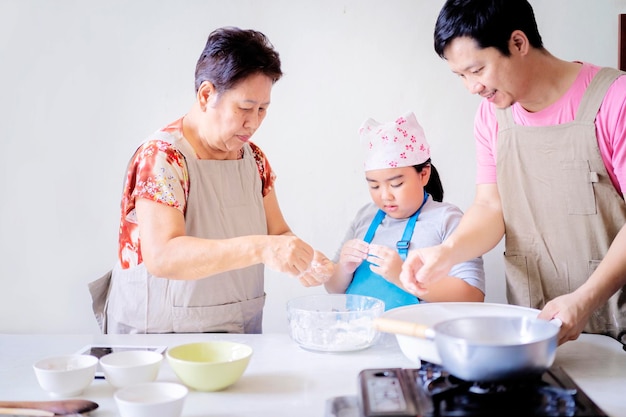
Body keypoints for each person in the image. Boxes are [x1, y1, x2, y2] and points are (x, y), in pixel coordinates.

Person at [400, 0, 626, 346]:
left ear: (518, 43)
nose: (470, 87)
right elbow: (490, 207)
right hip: (532, 329)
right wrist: (448, 252)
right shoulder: (491, 117)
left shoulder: (615, 100)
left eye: (476, 70)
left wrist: (585, 299)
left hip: (616, 326)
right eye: (460, 75)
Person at [89, 27, 332, 334]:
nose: (254, 122)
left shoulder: (253, 159)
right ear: (206, 95)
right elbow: (163, 256)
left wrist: (302, 257)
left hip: (234, 331)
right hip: (160, 338)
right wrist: (262, 249)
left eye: (262, 110)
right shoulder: (163, 157)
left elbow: (277, 232)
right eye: (244, 108)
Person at [324, 112, 485, 310]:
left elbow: (472, 295)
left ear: (423, 175)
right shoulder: (365, 216)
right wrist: (343, 269)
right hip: (359, 337)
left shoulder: (447, 219)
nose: (385, 196)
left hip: (415, 337)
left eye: (396, 184)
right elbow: (333, 287)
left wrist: (403, 276)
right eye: (374, 186)